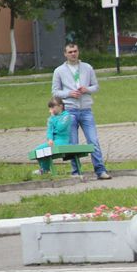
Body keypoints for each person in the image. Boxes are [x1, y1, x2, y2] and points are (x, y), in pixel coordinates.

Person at [51, 43, 111, 180]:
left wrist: (87, 89)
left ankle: (100, 170)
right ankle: (76, 172)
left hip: (86, 110)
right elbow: (55, 92)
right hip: (70, 110)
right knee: (73, 143)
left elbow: (96, 86)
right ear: (65, 54)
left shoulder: (87, 67)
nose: (73, 54)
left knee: (93, 140)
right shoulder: (59, 71)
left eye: (75, 51)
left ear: (78, 52)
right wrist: (69, 93)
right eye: (70, 52)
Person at [32, 97, 73, 175]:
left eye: (53, 107)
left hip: (62, 141)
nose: (51, 109)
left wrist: (53, 118)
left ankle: (44, 170)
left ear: (60, 106)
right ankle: (44, 169)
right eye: (50, 107)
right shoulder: (52, 118)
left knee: (42, 150)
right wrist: (50, 139)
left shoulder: (66, 116)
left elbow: (60, 128)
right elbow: (50, 130)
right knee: (37, 150)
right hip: (53, 141)